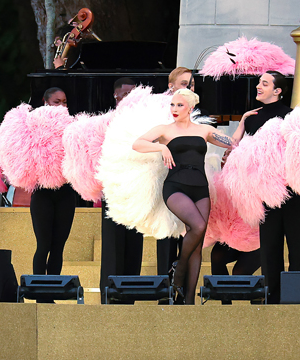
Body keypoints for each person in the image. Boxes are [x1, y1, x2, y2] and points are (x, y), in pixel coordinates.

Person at [132, 89, 234, 304]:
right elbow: (137, 144)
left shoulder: (204, 130)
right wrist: (160, 146)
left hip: (200, 188)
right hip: (175, 186)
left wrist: (241, 122)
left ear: (191, 108)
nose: (175, 109)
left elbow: (233, 143)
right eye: (172, 105)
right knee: (197, 227)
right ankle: (178, 269)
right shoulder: (164, 130)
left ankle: (188, 301)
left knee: (198, 243)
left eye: (179, 105)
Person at [232, 71, 300, 304]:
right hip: (266, 193)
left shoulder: (292, 116)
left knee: (298, 246)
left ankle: (297, 295)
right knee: (270, 248)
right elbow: (237, 149)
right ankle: (272, 297)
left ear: (278, 91)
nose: (258, 86)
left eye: (264, 83)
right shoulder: (252, 118)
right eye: (258, 82)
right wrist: (243, 120)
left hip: (294, 191)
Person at [99, 78, 143, 295]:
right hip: (114, 186)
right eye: (126, 95)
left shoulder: (145, 122)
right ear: (116, 97)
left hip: (137, 187)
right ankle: (110, 293)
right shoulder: (106, 121)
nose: (131, 99)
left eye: (134, 94)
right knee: (113, 242)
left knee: (135, 240)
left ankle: (131, 292)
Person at [29, 89, 79, 282]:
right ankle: (39, 291)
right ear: (46, 103)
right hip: (42, 192)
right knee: (43, 245)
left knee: (58, 247)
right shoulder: (34, 126)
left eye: (65, 102)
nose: (62, 106)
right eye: (57, 102)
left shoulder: (72, 126)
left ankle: (52, 290)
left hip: (65, 192)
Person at [156, 67, 196, 279]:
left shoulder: (198, 117)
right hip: (166, 179)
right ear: (171, 87)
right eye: (183, 84)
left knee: (189, 231)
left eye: (191, 84)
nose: (188, 88)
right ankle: (165, 283)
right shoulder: (160, 113)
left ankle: (183, 283)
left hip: (192, 181)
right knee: (167, 232)